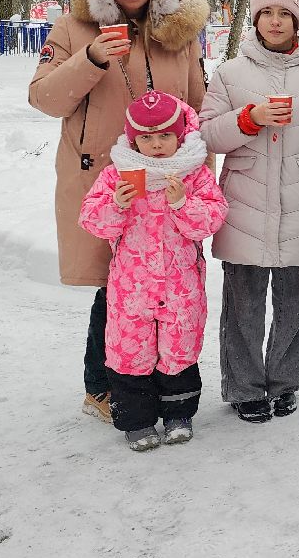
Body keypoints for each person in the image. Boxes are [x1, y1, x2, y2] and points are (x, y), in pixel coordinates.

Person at [29, 0, 210, 424]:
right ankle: (102, 387)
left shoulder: (179, 34)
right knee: (116, 285)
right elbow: (44, 99)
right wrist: (91, 59)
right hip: (103, 182)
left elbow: (195, 110)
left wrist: (199, 182)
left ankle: (151, 384)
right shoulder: (72, 29)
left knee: (161, 289)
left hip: (168, 188)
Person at [199, 0, 299, 423]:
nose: (275, 20)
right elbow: (206, 133)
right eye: (266, 12)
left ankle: (285, 382)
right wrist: (249, 119)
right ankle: (244, 387)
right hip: (244, 204)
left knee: (292, 305)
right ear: (254, 17)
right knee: (243, 305)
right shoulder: (229, 73)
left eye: (284, 13)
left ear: (297, 19)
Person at [78, 92, 227, 450]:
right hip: (132, 288)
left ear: (179, 136)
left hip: (181, 286)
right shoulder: (118, 174)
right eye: (146, 137)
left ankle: (178, 413)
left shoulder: (194, 175)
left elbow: (211, 219)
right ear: (133, 140)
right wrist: (117, 204)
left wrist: (182, 203)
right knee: (131, 353)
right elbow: (91, 219)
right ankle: (137, 420)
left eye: (164, 136)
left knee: (179, 350)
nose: (156, 145)